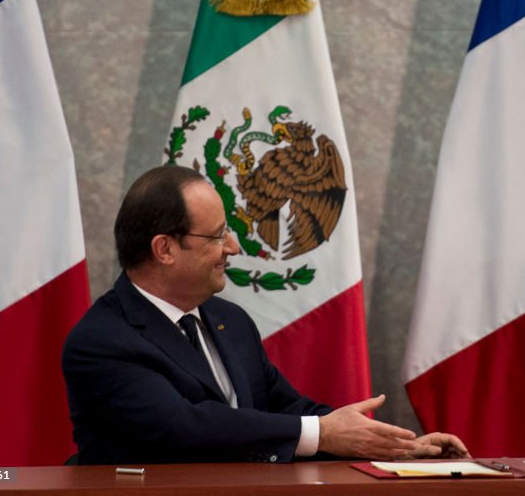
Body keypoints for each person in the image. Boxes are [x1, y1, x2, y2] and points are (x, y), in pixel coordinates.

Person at [63, 165, 468, 464]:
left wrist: (392, 446)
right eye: (217, 235)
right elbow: (185, 428)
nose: (234, 247)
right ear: (164, 249)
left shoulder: (229, 321)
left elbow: (287, 411)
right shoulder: (103, 340)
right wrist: (322, 433)